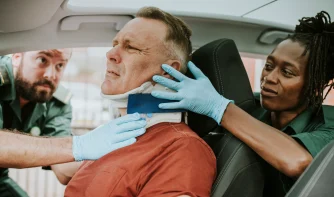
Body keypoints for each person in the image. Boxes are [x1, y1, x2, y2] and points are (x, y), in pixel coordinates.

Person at [152, 11, 334, 196]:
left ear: (316, 86)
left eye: (287, 72)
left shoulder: (329, 124)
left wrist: (220, 108)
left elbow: (299, 162)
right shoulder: (247, 105)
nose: (269, 78)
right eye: (269, 66)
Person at [64, 7, 216, 197]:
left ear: (168, 71)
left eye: (131, 47)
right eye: (115, 44)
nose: (110, 53)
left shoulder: (183, 150)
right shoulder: (114, 135)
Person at [0, 50, 147, 196]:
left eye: (60, 65)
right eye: (42, 60)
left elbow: (62, 170)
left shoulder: (55, 102)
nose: (51, 75)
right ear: (17, 57)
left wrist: (113, 157)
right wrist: (79, 145)